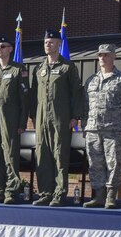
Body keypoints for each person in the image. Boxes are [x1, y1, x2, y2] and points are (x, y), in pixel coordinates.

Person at [31, 30, 86, 207]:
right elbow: (33, 95)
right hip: (41, 119)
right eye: (46, 42)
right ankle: (46, 192)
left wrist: (75, 116)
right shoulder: (38, 69)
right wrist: (33, 115)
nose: (48, 44)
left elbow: (77, 93)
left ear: (59, 44)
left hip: (60, 118)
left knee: (59, 155)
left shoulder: (67, 67)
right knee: (43, 155)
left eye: (52, 42)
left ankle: (59, 194)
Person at [82, 44, 121, 209]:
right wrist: (84, 126)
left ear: (114, 56)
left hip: (113, 129)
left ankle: (111, 197)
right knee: (95, 163)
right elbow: (85, 106)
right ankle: (99, 196)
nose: (102, 58)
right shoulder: (91, 80)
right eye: (100, 55)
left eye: (106, 55)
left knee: (113, 163)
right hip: (93, 129)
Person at [0, 35, 30, 204]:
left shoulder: (18, 70)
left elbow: (24, 99)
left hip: (10, 119)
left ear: (10, 49)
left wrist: (21, 123)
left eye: (3, 46)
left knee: (10, 155)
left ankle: (11, 192)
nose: (0, 49)